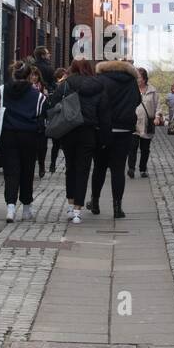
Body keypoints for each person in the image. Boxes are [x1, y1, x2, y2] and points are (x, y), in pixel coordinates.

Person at [46, 58, 103, 224]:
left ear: (72, 68)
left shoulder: (65, 84)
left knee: (70, 167)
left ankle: (70, 206)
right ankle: (78, 209)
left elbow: (53, 104)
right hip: (88, 131)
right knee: (83, 170)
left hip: (69, 130)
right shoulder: (97, 86)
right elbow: (103, 109)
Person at [89, 59, 142, 219]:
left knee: (99, 167)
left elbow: (94, 102)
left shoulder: (100, 80)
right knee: (118, 169)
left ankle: (95, 202)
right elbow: (137, 101)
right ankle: (117, 207)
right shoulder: (131, 82)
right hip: (124, 130)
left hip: (102, 130)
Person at [0, 61, 47, 222]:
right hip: (29, 136)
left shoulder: (1, 91)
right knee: (27, 171)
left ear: (13, 74)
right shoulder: (38, 96)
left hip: (8, 135)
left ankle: (10, 207)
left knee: (11, 172)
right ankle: (26, 208)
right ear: (28, 76)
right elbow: (42, 114)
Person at [128, 67, 159, 179]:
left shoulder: (153, 91)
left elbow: (157, 106)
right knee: (132, 147)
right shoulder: (131, 90)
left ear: (145, 78)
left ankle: (142, 169)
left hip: (147, 124)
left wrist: (157, 117)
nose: (137, 79)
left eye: (139, 77)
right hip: (134, 123)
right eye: (136, 77)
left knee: (145, 149)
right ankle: (131, 168)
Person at [47, 67, 68, 173]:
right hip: (63, 118)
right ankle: (54, 163)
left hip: (58, 118)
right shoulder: (61, 87)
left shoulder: (58, 87)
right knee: (60, 144)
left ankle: (53, 164)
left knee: (57, 144)